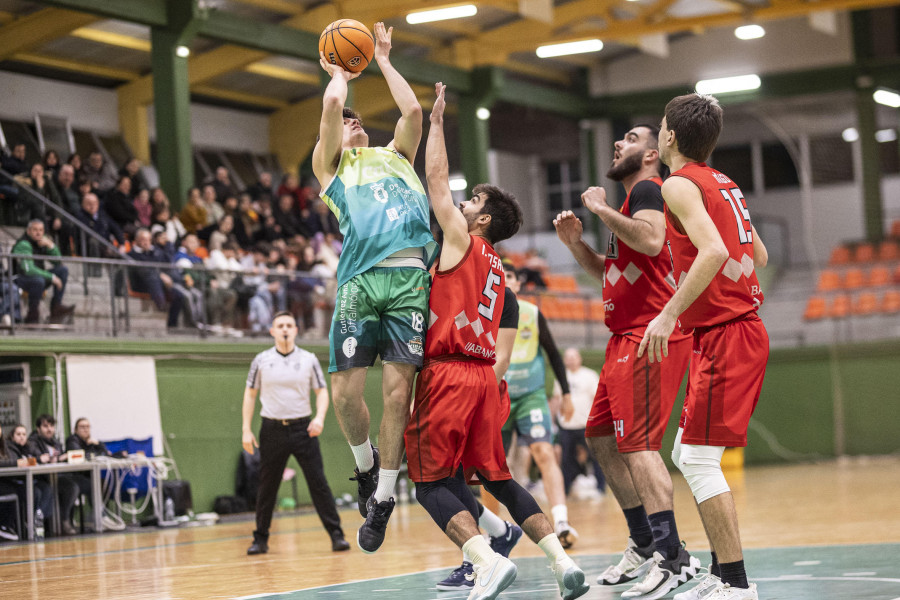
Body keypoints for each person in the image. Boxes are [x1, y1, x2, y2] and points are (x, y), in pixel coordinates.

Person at [405, 82, 588, 600]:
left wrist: (436, 122)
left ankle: (484, 561)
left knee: (431, 483)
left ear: (481, 219)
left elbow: (436, 180)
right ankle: (561, 562)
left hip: (451, 373)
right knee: (500, 479)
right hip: (486, 381)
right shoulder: (500, 270)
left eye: (473, 200)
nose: (461, 202)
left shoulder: (463, 242)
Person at [554, 123, 700, 599]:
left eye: (632, 139)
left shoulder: (650, 192)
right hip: (624, 336)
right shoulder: (630, 204)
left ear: (653, 154)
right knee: (600, 438)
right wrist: (578, 243)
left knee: (637, 447)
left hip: (650, 336)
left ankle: (672, 556)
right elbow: (611, 269)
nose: (619, 143)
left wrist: (595, 208)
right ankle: (643, 541)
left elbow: (654, 241)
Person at [312, 22, 438, 552]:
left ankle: (384, 496)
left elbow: (413, 114)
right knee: (344, 390)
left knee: (397, 393)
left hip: (410, 277)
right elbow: (329, 112)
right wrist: (339, 73)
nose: (351, 122)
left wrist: (382, 59)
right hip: (360, 282)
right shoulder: (331, 167)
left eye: (357, 119)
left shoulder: (395, 156)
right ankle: (365, 466)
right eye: (345, 122)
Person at [638, 94, 769, 600]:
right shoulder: (725, 183)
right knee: (687, 453)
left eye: (661, 125)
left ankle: (735, 584)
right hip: (734, 329)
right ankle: (721, 576)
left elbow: (715, 249)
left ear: (669, 136)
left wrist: (668, 314)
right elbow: (755, 253)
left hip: (726, 333)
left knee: (695, 460)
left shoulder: (677, 185)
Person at [241, 311, 349, 554]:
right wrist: (246, 430)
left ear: (296, 330)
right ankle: (260, 539)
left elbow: (322, 392)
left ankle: (336, 535)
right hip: (272, 429)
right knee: (267, 486)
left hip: (304, 429)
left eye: (289, 324)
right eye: (280, 325)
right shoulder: (261, 360)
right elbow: (250, 395)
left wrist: (320, 418)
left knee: (318, 483)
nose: (285, 329)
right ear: (272, 331)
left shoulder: (309, 359)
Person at [500, 263, 580, 548]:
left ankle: (560, 521)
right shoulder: (485, 313)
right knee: (488, 465)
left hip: (530, 396)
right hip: (498, 396)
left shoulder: (532, 313)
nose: (506, 281)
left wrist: (567, 394)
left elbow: (554, 355)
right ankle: (494, 529)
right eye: (501, 276)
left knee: (544, 451)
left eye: (511, 276)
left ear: (519, 283)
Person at [550, 348, 604, 498]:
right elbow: (556, 399)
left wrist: (598, 420)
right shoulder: (561, 377)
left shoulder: (590, 375)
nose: (571, 360)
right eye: (568, 357)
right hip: (567, 426)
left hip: (587, 425)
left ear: (579, 359)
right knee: (566, 459)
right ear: (564, 360)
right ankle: (565, 490)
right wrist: (553, 420)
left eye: (574, 357)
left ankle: (601, 488)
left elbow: (597, 399)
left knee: (596, 457)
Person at [12, 219, 75, 324]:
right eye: (35, 230)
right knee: (39, 281)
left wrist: (51, 246)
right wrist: (52, 277)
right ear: (28, 231)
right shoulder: (23, 244)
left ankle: (56, 307)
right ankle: (32, 314)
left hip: (36, 278)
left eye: (41, 230)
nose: (38, 233)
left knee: (62, 270)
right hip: (19, 278)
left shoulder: (42, 242)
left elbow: (58, 262)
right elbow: (29, 270)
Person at [28, 414, 79, 535]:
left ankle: (65, 520)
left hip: (56, 476)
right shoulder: (32, 441)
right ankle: (43, 525)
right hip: (41, 478)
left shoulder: (55, 442)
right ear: (38, 428)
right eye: (45, 426)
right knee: (47, 490)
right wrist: (44, 458)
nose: (49, 429)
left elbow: (58, 457)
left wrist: (63, 457)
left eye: (51, 426)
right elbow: (36, 456)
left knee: (72, 487)